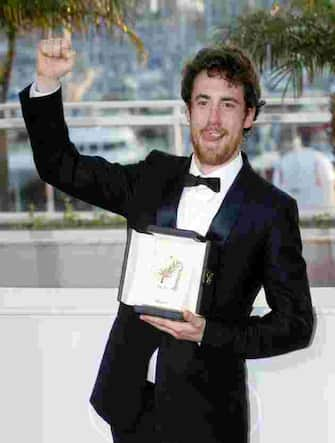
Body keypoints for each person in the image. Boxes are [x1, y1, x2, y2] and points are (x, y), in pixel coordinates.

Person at [19, 37, 314, 443]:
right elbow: (60, 167)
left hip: (209, 418)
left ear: (248, 116)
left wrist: (209, 332)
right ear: (188, 111)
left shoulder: (272, 210)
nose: (213, 119)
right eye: (203, 102)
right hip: (126, 402)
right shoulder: (153, 175)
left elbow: (296, 325)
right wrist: (47, 83)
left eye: (227, 104)